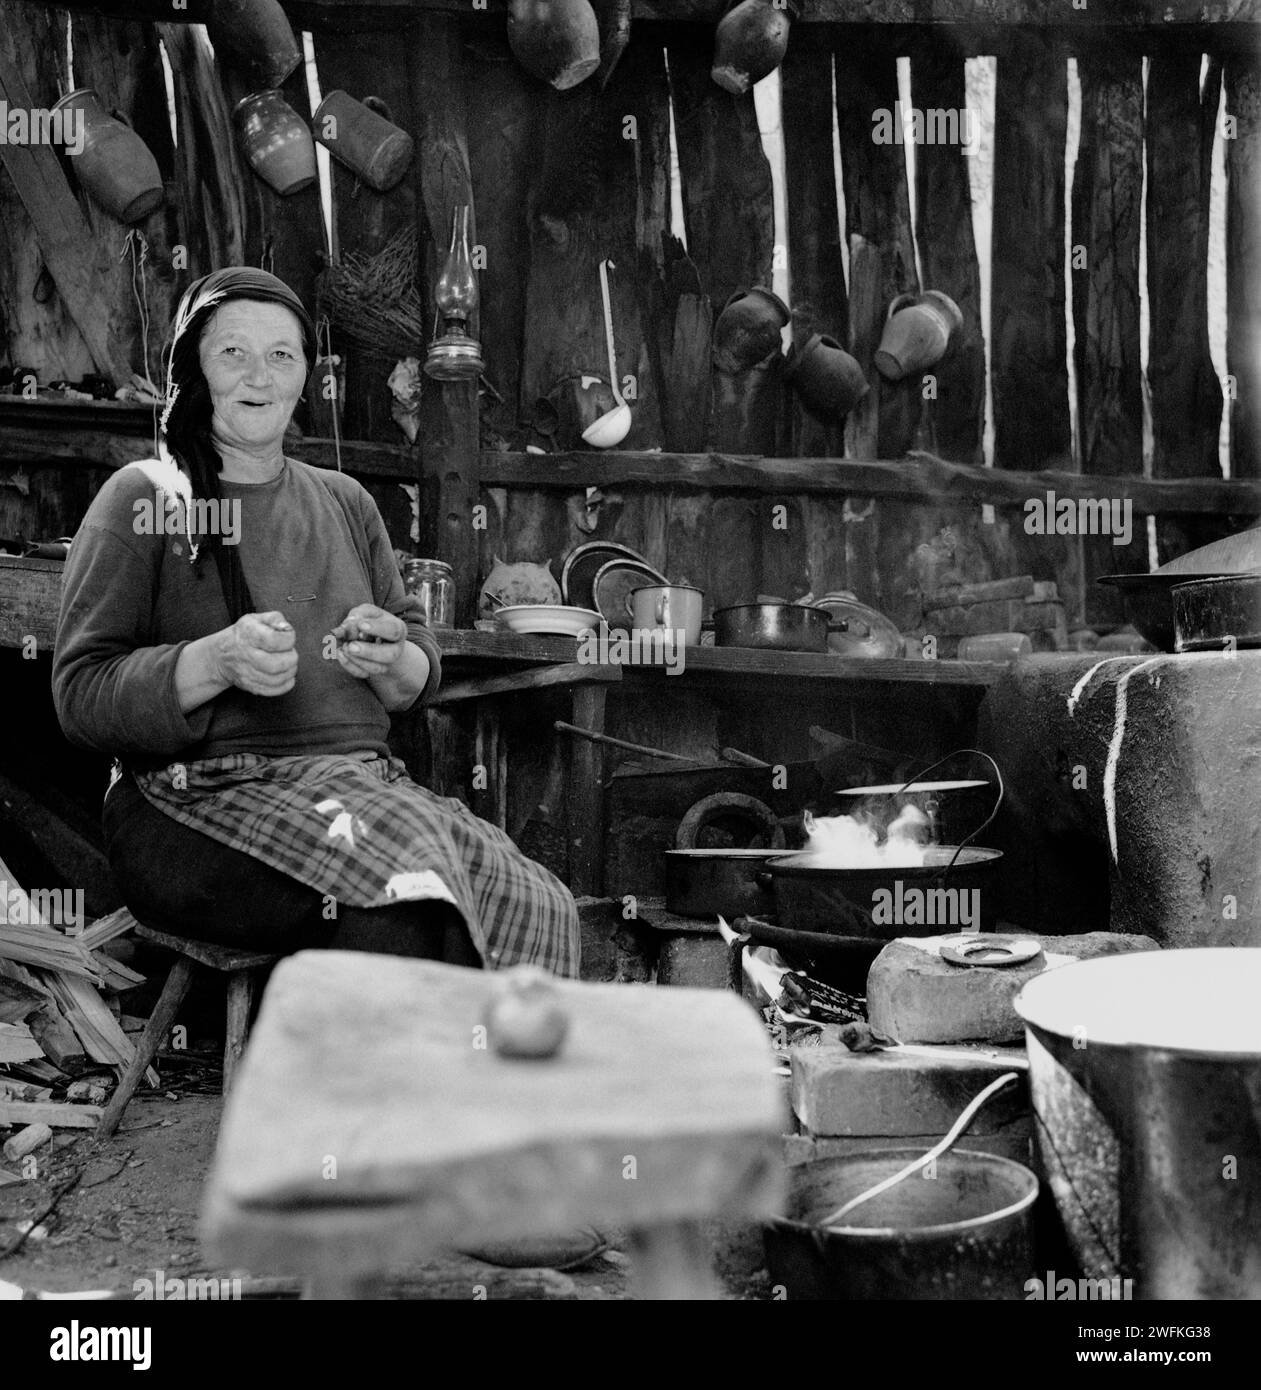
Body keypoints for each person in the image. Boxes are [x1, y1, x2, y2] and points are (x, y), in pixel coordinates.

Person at [52, 267, 578, 975]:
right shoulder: (143, 498)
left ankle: (475, 1085)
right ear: (195, 371)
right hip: (188, 808)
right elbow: (79, 695)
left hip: (358, 788)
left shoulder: (345, 502)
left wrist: (391, 658)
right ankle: (367, 1085)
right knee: (406, 901)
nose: (259, 376)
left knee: (536, 899)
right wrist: (214, 662)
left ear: (306, 373)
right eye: (232, 352)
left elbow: (414, 668)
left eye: (282, 355)